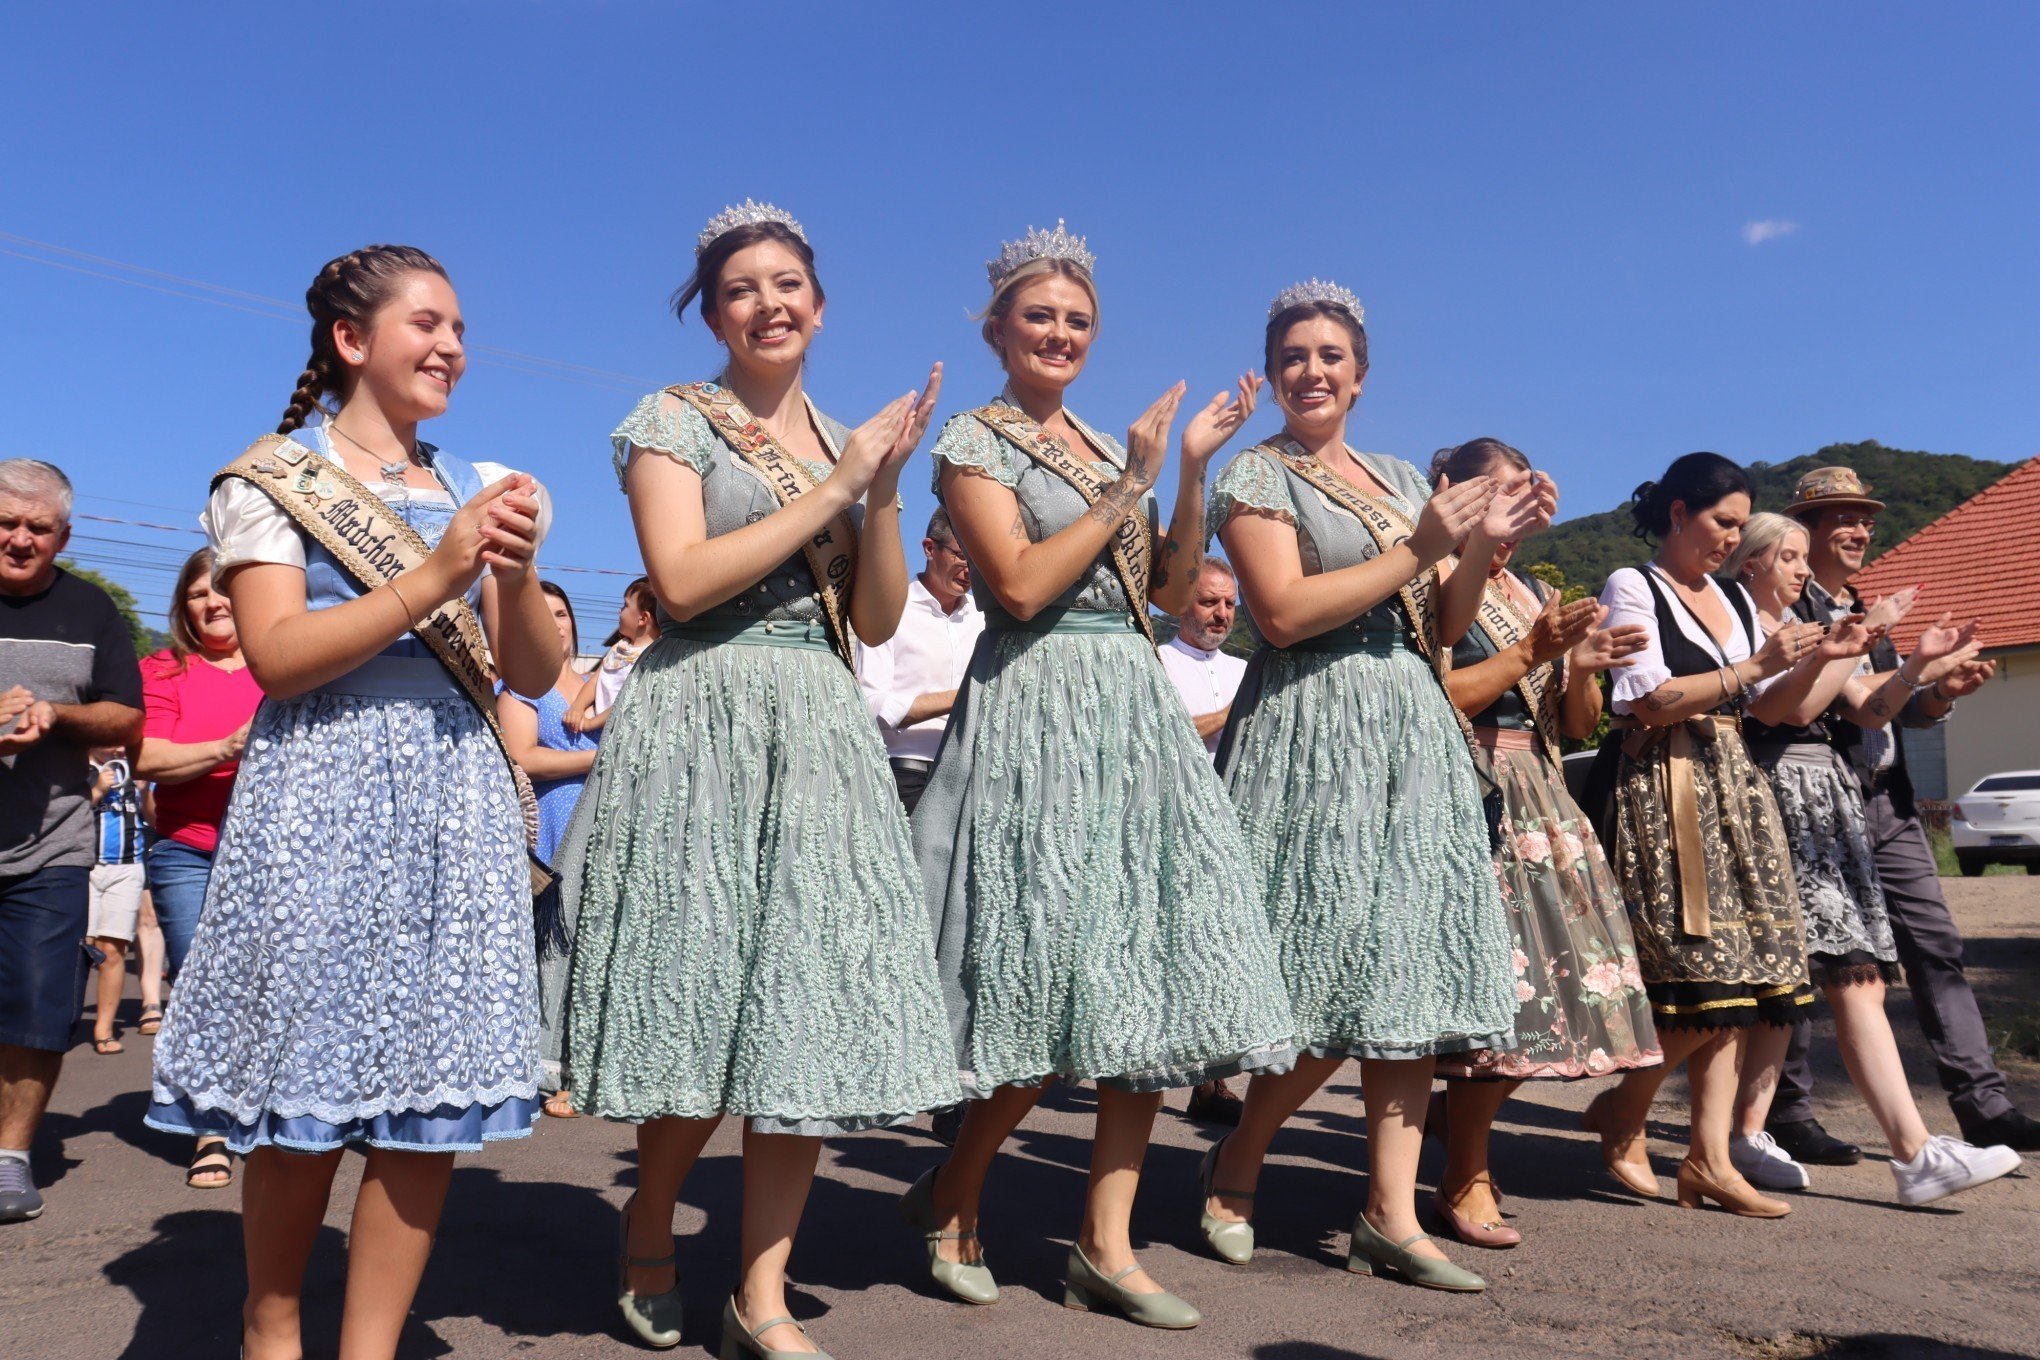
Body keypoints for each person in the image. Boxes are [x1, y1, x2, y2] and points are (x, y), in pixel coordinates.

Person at [557, 201, 957, 1358]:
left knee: (802, 1015)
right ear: (715, 313)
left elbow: (878, 617)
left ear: (820, 307)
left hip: (820, 723)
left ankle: (762, 1296)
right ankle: (647, 1228)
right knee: (703, 999)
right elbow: (678, 583)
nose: (769, 302)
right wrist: (835, 489)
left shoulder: (850, 438)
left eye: (789, 284)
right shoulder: (671, 419)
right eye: (743, 288)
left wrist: (881, 489)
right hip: (701, 717)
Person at [145, 245, 559, 1360]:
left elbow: (529, 673)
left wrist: (512, 573)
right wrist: (435, 573)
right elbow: (277, 655)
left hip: (453, 797)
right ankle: (270, 1323)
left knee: (425, 1108)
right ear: (350, 340)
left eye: (461, 329)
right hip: (322, 787)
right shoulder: (271, 478)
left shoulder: (485, 481)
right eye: (429, 323)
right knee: (305, 1097)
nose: (453, 347)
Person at [907, 223, 1294, 1331]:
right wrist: (1128, 477)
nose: (1060, 333)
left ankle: (1106, 1243)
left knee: (1150, 973)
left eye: (1077, 320)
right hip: (1035, 701)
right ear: (996, 330)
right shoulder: (972, 443)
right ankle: (953, 1191)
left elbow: (1173, 592)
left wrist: (1188, 471)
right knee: (1042, 974)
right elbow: (1021, 586)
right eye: (1039, 316)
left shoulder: (1097, 440)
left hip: (1131, 707)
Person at [1200, 282, 1517, 1294]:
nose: (1312, 370)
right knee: (1320, 961)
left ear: (1361, 374)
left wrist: (1476, 546)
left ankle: (1390, 1210)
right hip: (1312, 721)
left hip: (1410, 724)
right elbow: (1284, 611)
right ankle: (1242, 1150)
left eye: (1331, 354)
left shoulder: (1387, 474)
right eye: (1294, 354)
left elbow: (1444, 620)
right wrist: (1421, 544)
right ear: (1275, 371)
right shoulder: (1255, 473)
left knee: (1409, 968)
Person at [1722, 511, 2021, 1204]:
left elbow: (1869, 710)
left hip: (1827, 798)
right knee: (1830, 977)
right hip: (1780, 794)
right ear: (1752, 564)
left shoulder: (1815, 626)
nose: (1803, 570)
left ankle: (1745, 1132)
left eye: (1804, 557)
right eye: (1791, 556)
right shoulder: (1747, 629)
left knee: (1808, 978)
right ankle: (1910, 1153)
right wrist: (1840, 648)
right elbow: (1793, 712)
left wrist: (1919, 666)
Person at [1427, 438, 1662, 1249]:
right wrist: (1538, 651)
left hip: (1542, 795)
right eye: (1502, 496)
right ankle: (1465, 1171)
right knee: (1497, 998)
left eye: (1526, 499)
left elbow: (1576, 725)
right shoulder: (1430, 575)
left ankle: (1464, 1160)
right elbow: (1445, 694)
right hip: (1471, 785)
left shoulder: (1528, 590)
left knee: (1539, 996)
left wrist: (1584, 666)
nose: (1517, 515)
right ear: (1453, 494)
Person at [1578, 452, 1820, 1220]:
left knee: (1752, 979)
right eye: (1721, 523)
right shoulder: (1632, 585)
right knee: (1701, 976)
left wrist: (1820, 662)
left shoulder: (1727, 596)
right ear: (1678, 513)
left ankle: (1709, 1159)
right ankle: (1622, 1108)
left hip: (1733, 786)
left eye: (1741, 526)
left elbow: (1771, 707)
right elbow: (1650, 700)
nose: (1730, 539)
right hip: (1667, 788)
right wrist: (1755, 666)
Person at [0, 458, 146, 1226]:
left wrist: (59, 716)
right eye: (6, 523)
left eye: (37, 527)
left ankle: (11, 1158)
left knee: (37, 1008)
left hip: (52, 845)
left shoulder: (90, 611)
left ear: (63, 535)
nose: (20, 539)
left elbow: (127, 719)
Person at [134, 546, 263, 1190]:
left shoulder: (282, 665)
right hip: (188, 848)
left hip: (271, 854)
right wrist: (225, 748)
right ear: (183, 607)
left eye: (223, 588)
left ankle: (274, 1115)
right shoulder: (161, 667)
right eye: (197, 594)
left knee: (271, 985)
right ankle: (212, 1127)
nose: (213, 602)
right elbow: (148, 757)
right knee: (203, 983)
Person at [1154, 558, 1252, 1125]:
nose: (1221, 614)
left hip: (1237, 814)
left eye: (1230, 604)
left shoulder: (1246, 667)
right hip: (1177, 817)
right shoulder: (1156, 662)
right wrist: (1229, 715)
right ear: (1182, 605)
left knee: (1225, 949)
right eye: (1209, 602)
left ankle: (1214, 1080)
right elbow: (1167, 737)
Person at [498, 578, 599, 1118]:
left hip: (602, 828)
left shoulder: (601, 685)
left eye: (561, 614)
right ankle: (539, 1066)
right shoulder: (520, 690)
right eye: (543, 613)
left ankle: (579, 1064)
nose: (554, 623)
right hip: (551, 827)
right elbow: (525, 756)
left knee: (590, 948)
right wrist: (599, 760)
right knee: (547, 947)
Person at [855, 507, 983, 815]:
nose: (971, 569)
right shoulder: (890, 612)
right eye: (962, 555)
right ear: (929, 549)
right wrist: (964, 697)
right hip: (906, 778)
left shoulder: (983, 618)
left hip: (975, 780)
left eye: (978, 558)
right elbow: (871, 705)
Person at [86, 747, 146, 1056]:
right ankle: (61, 1021)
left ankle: (104, 1028)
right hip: (85, 867)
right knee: (80, 948)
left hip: (127, 867)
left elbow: (152, 811)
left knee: (113, 950)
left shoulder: (136, 766)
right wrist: (96, 791)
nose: (119, 747)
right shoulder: (75, 764)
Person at [567, 575, 657, 735]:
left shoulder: (652, 657)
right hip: (602, 731)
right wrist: (577, 706)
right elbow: (596, 680)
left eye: (625, 605)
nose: (619, 610)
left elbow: (627, 701)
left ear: (643, 618)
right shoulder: (619, 647)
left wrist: (590, 723)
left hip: (626, 736)